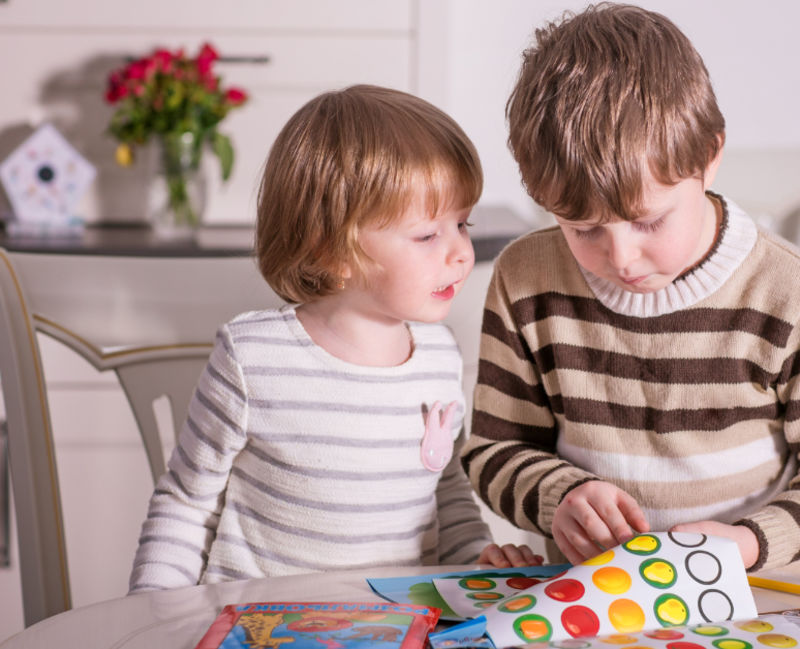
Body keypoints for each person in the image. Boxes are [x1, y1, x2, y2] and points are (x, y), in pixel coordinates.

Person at [461, 3, 800, 574]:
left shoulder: (795, 295)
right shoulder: (524, 279)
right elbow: (494, 452)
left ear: (709, 158)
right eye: (583, 229)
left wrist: (750, 542)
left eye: (649, 221)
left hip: (764, 595)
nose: (621, 257)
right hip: (598, 601)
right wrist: (558, 495)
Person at [130, 85, 541, 592]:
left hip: (402, 624)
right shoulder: (253, 359)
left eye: (462, 223)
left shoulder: (440, 356)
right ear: (332, 252)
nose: (461, 252)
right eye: (428, 235)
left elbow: (447, 492)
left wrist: (477, 562)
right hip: (262, 628)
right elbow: (187, 503)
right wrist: (154, 614)